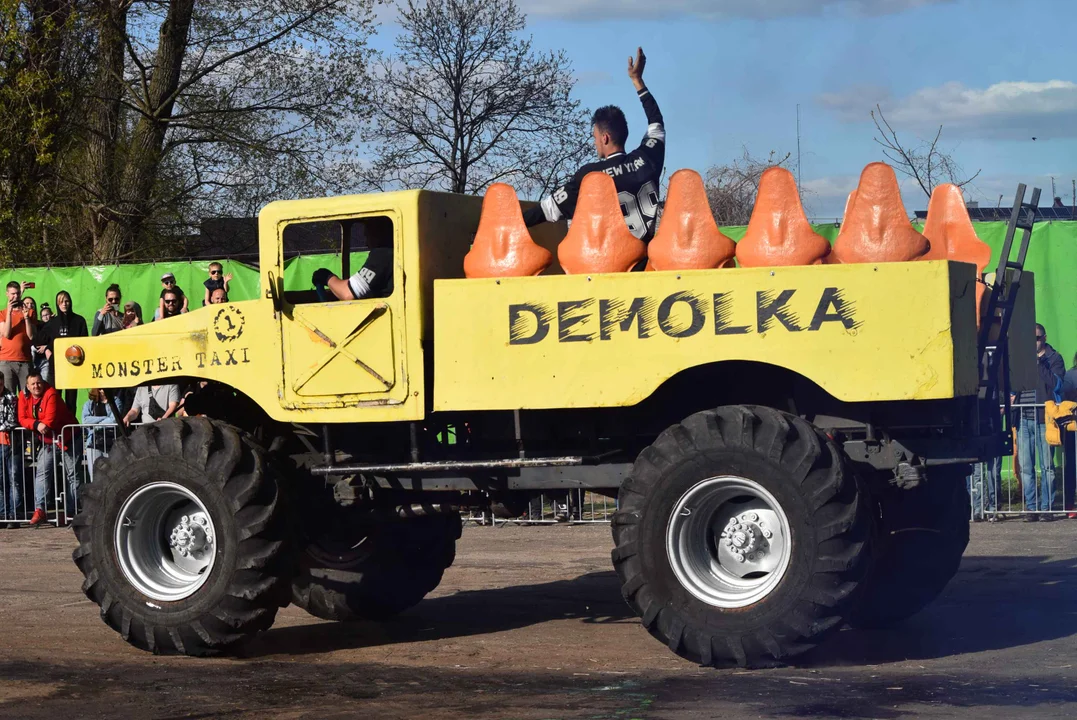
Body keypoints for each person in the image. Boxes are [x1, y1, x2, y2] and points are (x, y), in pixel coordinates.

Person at [522, 47, 665, 246]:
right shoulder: (648, 158)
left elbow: (548, 209)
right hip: (644, 264)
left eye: (595, 137)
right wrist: (637, 81)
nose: (594, 142)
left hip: (609, 267)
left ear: (605, 138)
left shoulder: (590, 176)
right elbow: (656, 123)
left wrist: (512, 223)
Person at [1015, 323, 1065, 521]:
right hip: (1024, 417)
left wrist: (1038, 365)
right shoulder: (1021, 360)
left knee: (1047, 466)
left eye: (1036, 338)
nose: (1033, 343)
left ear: (1044, 338)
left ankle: (1047, 508)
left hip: (1044, 418)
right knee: (1026, 467)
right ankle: (1032, 508)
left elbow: (1056, 384)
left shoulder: (1054, 359)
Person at [18, 370, 79, 526]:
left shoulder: (51, 393)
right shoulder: (23, 396)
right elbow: (21, 418)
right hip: (49, 441)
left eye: (39, 382)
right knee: (42, 473)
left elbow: (50, 420)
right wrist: (37, 424)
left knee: (72, 475)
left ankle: (72, 512)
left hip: (69, 437)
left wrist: (36, 423)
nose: (37, 386)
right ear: (28, 386)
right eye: (33, 384)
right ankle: (40, 509)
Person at [311, 217, 395, 301]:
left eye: (367, 236)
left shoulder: (383, 254)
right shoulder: (393, 253)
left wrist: (326, 276)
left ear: (378, 233)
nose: (366, 243)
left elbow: (348, 293)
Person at [35, 291, 88, 411]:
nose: (64, 304)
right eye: (61, 301)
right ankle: (56, 427)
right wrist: (48, 350)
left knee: (71, 401)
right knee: (55, 399)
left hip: (74, 366)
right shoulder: (52, 323)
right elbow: (37, 340)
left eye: (66, 301)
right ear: (57, 304)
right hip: (56, 367)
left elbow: (84, 342)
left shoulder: (79, 321)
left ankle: (69, 428)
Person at [0, 281, 35, 392]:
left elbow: (31, 336)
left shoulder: (29, 312)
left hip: (24, 361)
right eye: (13, 294)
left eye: (18, 294)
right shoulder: (2, 313)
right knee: (8, 397)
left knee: (26, 395)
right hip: (6, 361)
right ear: (7, 294)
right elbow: (6, 334)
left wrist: (26, 318)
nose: (15, 297)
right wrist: (9, 312)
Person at [82, 389, 117, 484]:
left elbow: (114, 420)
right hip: (93, 442)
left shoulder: (116, 401)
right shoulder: (89, 404)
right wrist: (105, 418)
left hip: (110, 442)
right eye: (100, 388)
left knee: (110, 475)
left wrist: (95, 425)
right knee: (94, 476)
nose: (102, 390)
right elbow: (85, 421)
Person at [0, 373, 21, 528]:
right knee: (0, 481)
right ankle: (2, 514)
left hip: (11, 444)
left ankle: (13, 515)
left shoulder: (11, 397)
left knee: (14, 479)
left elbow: (13, 421)